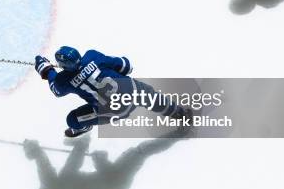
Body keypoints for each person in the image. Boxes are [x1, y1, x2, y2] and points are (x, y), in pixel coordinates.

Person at [35, 47, 192, 137]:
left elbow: (56, 89)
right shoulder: (92, 56)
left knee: (72, 120)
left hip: (115, 111)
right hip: (132, 90)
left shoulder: (63, 80)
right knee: (152, 99)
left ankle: (83, 126)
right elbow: (126, 66)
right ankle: (180, 114)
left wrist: (47, 70)